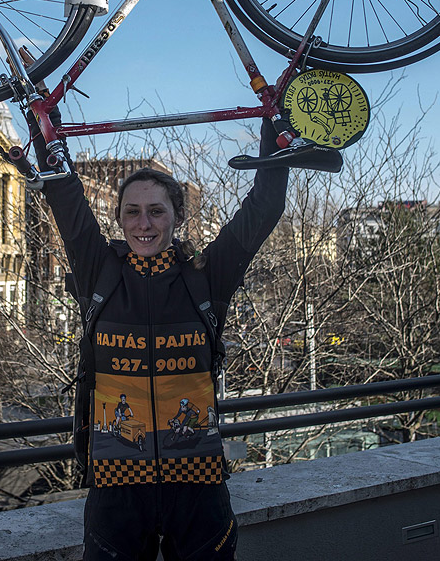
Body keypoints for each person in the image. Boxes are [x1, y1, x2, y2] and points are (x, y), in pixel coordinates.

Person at [33, 116, 289, 560]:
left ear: (177, 216)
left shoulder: (205, 278)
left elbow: (264, 205)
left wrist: (274, 122)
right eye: (132, 211)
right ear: (118, 218)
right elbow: (64, 191)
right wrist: (43, 121)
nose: (143, 223)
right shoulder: (101, 271)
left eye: (156, 211)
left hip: (198, 485)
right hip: (116, 488)